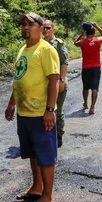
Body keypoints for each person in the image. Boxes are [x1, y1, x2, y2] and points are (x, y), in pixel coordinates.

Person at [5, 12, 60, 202]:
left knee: (45, 155)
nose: (26, 27)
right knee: (33, 153)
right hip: (25, 112)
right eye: (23, 25)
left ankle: (47, 196)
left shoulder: (46, 50)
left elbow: (54, 81)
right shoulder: (23, 49)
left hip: (40, 112)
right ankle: (37, 188)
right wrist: (12, 103)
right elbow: (19, 78)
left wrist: (49, 110)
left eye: (31, 24)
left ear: (40, 28)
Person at [43, 19, 70, 148]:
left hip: (58, 82)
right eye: (44, 27)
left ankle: (58, 136)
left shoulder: (58, 44)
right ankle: (47, 134)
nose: (45, 30)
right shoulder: (40, 43)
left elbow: (64, 63)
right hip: (45, 84)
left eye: (48, 28)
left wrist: (61, 80)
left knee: (57, 110)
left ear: (53, 30)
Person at [75, 22, 102, 115]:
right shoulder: (98, 40)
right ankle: (92, 107)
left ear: (86, 32)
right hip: (96, 67)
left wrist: (82, 34)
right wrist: (97, 26)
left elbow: (75, 42)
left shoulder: (82, 42)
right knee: (95, 88)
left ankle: (85, 103)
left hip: (86, 67)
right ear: (94, 32)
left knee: (85, 87)